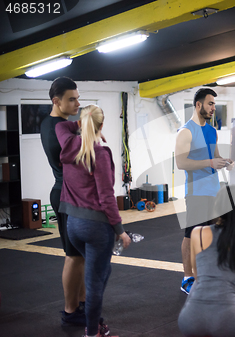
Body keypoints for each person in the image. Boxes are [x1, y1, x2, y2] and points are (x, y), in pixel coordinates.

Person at [56, 105, 131, 337]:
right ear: (102, 124)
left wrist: (84, 123)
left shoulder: (69, 147)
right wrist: (120, 230)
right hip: (96, 228)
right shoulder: (100, 153)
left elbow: (61, 125)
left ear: (80, 122)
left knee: (100, 273)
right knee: (96, 282)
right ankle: (92, 332)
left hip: (73, 226)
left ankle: (94, 324)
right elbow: (107, 198)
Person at [177, 185, 235, 337]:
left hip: (189, 322)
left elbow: (199, 275)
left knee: (197, 283)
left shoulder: (198, 232)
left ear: (216, 207)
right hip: (229, 323)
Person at [175, 88, 232, 294]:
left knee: (209, 235)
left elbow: (214, 156)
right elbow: (181, 163)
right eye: (210, 104)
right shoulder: (186, 131)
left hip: (213, 190)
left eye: (214, 105)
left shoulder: (212, 130)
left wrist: (225, 162)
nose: (213, 108)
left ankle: (205, 276)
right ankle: (188, 278)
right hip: (196, 191)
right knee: (192, 235)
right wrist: (210, 161)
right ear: (198, 105)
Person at [41, 77, 86, 326]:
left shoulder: (62, 124)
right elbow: (72, 160)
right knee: (73, 255)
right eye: (72, 99)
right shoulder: (54, 127)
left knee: (80, 254)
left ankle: (81, 304)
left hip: (72, 195)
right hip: (65, 195)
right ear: (56, 101)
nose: (77, 102)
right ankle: (70, 312)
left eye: (78, 98)